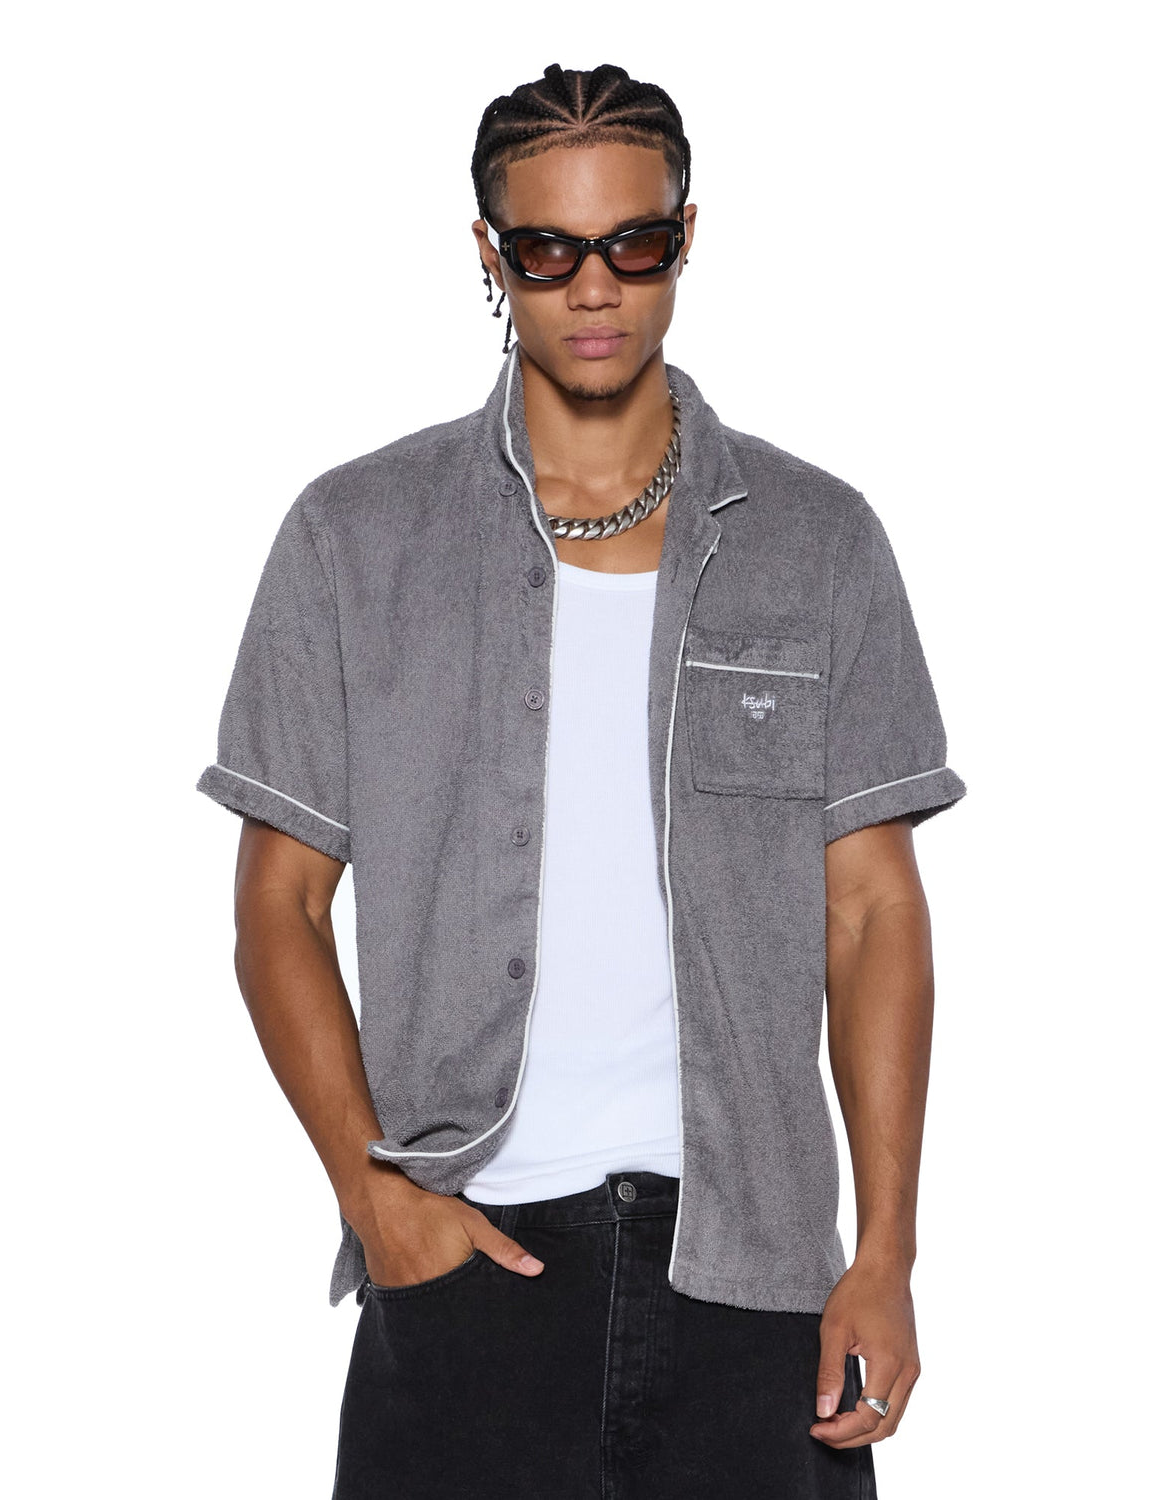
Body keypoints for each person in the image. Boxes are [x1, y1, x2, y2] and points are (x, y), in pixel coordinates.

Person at [196, 61, 966, 1500]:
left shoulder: (819, 541)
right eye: (548, 250)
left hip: (751, 1280)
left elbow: (874, 914)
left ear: (687, 238)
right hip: (468, 1262)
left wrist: (885, 1253)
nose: (595, 287)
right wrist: (375, 1199)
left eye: (635, 242)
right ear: (489, 255)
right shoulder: (356, 539)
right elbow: (276, 908)